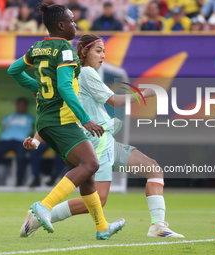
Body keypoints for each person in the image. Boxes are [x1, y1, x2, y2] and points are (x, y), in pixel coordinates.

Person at [22, 34, 184, 238]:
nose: (103, 55)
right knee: (99, 198)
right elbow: (114, 101)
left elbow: (57, 112)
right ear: (83, 52)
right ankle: (40, 215)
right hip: (97, 142)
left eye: (104, 51)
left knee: (153, 169)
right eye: (98, 50)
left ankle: (158, 226)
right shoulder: (86, 72)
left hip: (105, 140)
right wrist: (147, 93)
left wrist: (37, 139)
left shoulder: (70, 75)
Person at [7, 3, 125, 240]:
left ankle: (102, 227)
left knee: (88, 176)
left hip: (46, 120)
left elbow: (13, 70)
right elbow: (63, 86)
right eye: (72, 21)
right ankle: (44, 206)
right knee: (90, 164)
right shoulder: (65, 49)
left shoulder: (38, 48)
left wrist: (38, 87)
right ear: (61, 25)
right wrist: (86, 119)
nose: (75, 25)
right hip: (62, 120)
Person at [0, 98, 34, 186]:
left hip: (21, 141)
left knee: (21, 157)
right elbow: (0, 129)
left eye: (23, 105)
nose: (21, 107)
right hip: (5, 140)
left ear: (26, 107)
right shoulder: (8, 117)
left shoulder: (30, 118)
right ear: (16, 106)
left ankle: (19, 181)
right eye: (19, 105)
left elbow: (34, 131)